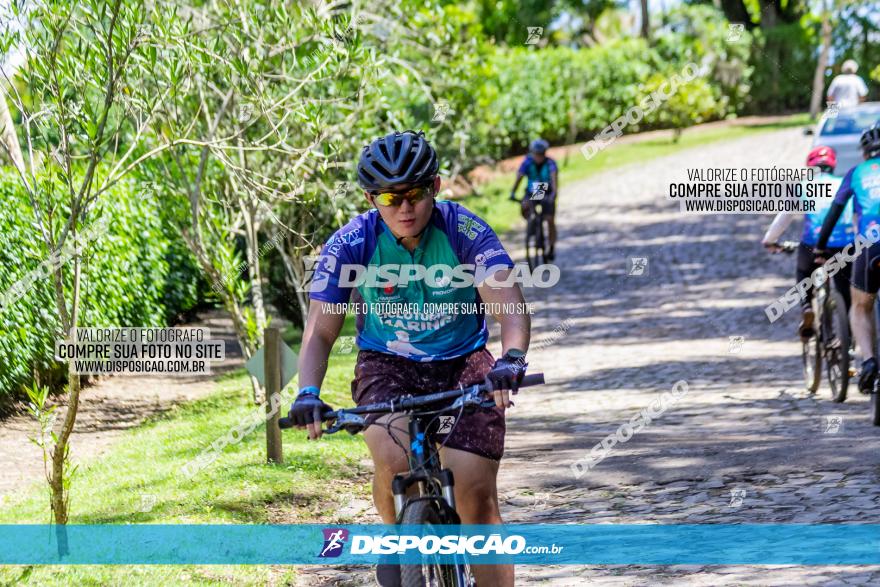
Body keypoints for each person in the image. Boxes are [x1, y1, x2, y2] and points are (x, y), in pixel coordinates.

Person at [287, 130, 530, 587]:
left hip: (463, 362)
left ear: (435, 187)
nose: (404, 208)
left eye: (415, 193)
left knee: (476, 496)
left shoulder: (463, 231)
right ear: (369, 197)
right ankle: (399, 532)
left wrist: (512, 357)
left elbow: (509, 306)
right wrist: (307, 392)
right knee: (393, 458)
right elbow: (320, 331)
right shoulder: (351, 243)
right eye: (388, 197)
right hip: (387, 366)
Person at [761, 146, 853, 339]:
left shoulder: (803, 186)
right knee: (845, 290)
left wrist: (770, 241)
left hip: (813, 243)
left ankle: (806, 305)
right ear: (833, 165)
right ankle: (849, 341)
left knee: (804, 271)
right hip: (844, 243)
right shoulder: (843, 183)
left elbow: (783, 219)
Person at [815, 125, 880, 393]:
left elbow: (834, 212)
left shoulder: (855, 174)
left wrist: (820, 247)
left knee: (861, 304)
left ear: (865, 153)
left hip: (871, 246)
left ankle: (868, 362)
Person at [510, 138, 559, 260]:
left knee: (549, 219)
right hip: (532, 190)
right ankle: (533, 224)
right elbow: (519, 177)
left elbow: (554, 180)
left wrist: (554, 193)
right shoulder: (527, 162)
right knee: (525, 206)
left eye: (540, 154)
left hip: (544, 190)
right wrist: (512, 192)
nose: (538, 157)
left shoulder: (550, 163)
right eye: (536, 154)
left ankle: (551, 247)